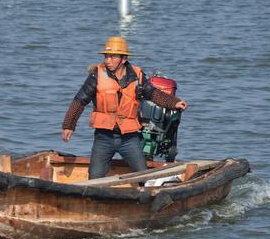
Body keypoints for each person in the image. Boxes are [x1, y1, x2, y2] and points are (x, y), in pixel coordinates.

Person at [61, 36, 188, 179]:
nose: (107, 61)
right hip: (104, 137)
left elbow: (153, 94)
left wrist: (174, 102)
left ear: (123, 59)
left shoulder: (137, 76)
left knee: (143, 175)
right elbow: (79, 101)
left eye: (112, 57)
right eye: (106, 57)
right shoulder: (96, 76)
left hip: (129, 138)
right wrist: (68, 125)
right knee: (94, 176)